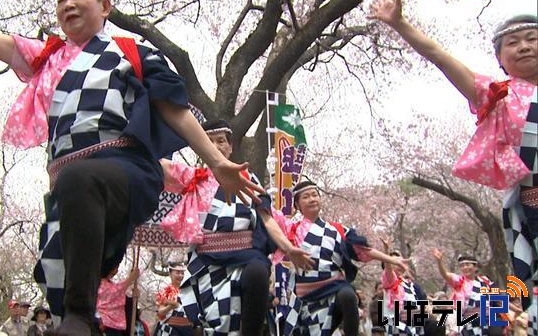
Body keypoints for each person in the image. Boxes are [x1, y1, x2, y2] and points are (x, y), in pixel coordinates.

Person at [0, 0, 262, 334]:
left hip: (125, 171)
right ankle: (79, 318)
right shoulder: (47, 59)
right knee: (54, 279)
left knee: (82, 186)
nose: (67, 5)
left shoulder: (131, 50)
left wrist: (217, 162)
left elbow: (174, 109)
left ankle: (80, 314)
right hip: (68, 192)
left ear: (105, 6)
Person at [369, 0, 537, 317]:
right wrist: (401, 25)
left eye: (532, 38)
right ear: (500, 59)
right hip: (530, 206)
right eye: (513, 43)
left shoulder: (484, 281)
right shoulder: (500, 95)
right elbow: (439, 56)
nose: (525, 46)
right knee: (531, 292)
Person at [159, 119, 313, 336]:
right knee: (209, 324)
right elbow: (157, 167)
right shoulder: (193, 176)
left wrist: (288, 248)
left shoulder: (248, 178)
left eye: (221, 141)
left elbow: (266, 218)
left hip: (245, 258)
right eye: (208, 141)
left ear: (231, 146)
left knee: (259, 273)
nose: (215, 146)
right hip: (206, 263)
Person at [282, 180, 409, 336]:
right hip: (306, 294)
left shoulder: (337, 229)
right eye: (306, 197)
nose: (312, 199)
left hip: (333, 286)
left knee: (349, 296)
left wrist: (391, 259)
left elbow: (365, 250)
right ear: (297, 205)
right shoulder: (292, 229)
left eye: (315, 195)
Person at [431, 249, 504, 336]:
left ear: (475, 267)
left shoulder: (486, 280)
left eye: (467, 265)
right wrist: (440, 262)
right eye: (462, 265)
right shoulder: (460, 281)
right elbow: (446, 275)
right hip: (470, 320)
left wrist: (513, 310)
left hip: (490, 318)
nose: (465, 267)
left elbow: (498, 298)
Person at [95, 266, 139, 336]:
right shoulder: (98, 283)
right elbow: (115, 291)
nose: (116, 271)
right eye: (114, 267)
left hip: (115, 327)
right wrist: (130, 279)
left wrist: (134, 298)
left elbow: (118, 292)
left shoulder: (110, 284)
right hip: (104, 324)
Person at [154, 262, 192, 336]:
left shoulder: (190, 291)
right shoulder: (165, 291)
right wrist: (170, 306)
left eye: (182, 273)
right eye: (177, 273)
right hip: (171, 329)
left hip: (188, 329)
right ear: (170, 274)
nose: (180, 275)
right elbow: (160, 312)